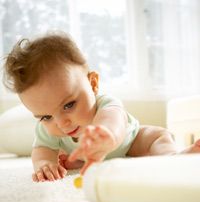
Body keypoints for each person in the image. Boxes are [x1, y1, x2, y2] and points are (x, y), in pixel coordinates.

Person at [3, 32, 200, 182]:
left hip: (129, 142)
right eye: (46, 117)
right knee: (67, 157)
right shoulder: (48, 131)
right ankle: (80, 160)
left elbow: (112, 121)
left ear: (93, 84)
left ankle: (173, 158)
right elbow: (42, 149)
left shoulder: (107, 104)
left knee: (158, 135)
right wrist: (44, 164)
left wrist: (107, 135)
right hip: (88, 156)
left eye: (69, 105)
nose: (62, 122)